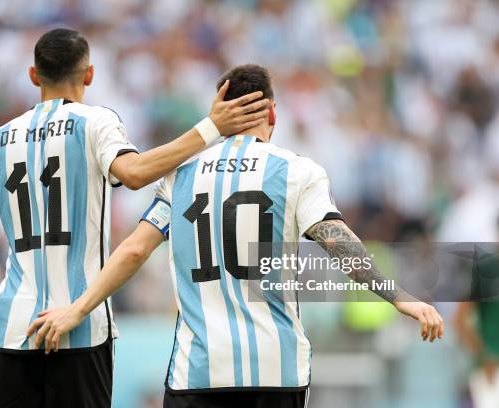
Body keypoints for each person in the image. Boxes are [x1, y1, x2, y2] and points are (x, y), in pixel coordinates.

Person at [27, 64, 445, 407]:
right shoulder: (298, 171)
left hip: (201, 371)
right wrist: (403, 298)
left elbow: (135, 250)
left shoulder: (180, 174)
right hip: (276, 370)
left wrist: (78, 309)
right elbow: (337, 242)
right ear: (273, 114)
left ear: (218, 110)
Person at [0, 29, 269, 408]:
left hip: (12, 332)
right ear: (89, 75)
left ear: (34, 75)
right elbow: (134, 174)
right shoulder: (96, 122)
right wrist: (210, 128)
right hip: (82, 329)